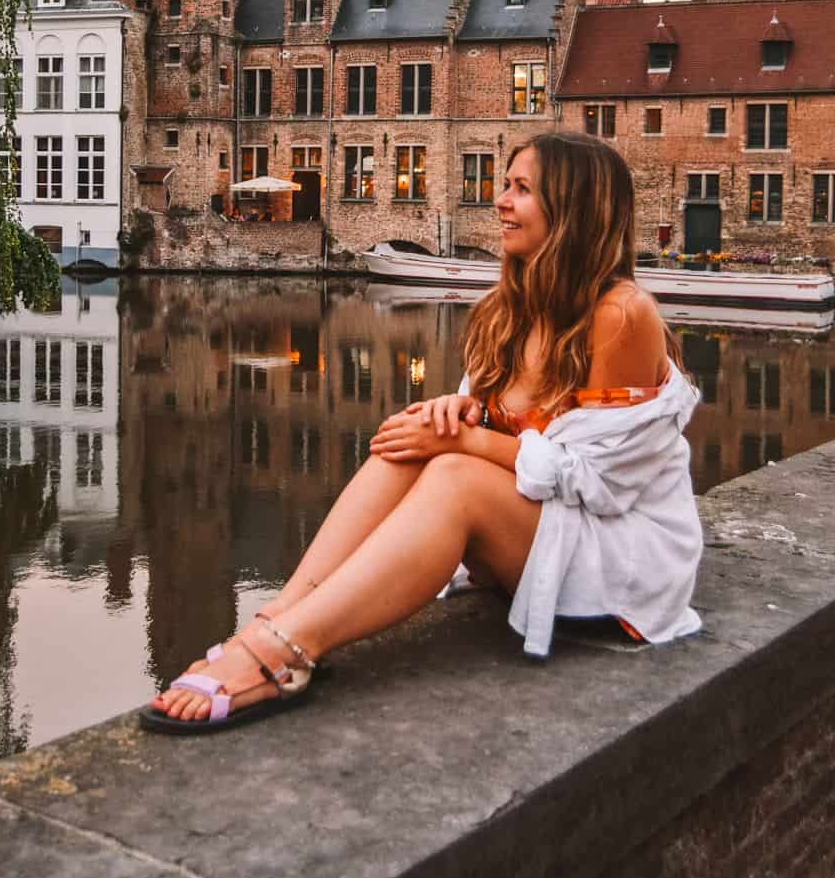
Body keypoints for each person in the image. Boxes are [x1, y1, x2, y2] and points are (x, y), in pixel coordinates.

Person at [142, 132, 703, 734]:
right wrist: (453, 415)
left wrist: (465, 441)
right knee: (411, 436)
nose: (500, 202)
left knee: (453, 473)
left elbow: (601, 483)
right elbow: (492, 426)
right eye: (504, 185)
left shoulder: (620, 314)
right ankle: (277, 616)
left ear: (575, 210)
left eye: (521, 189)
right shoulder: (509, 308)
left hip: (619, 565)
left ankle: (288, 649)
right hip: (544, 535)